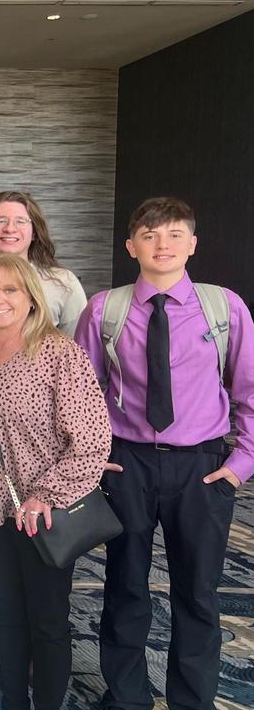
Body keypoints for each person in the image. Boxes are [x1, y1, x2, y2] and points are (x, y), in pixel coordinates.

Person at [74, 196, 254, 710]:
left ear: (192, 245)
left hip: (203, 467)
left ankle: (192, 700)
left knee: (197, 593)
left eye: (175, 234)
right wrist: (92, 459)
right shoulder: (104, 309)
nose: (163, 244)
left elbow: (249, 393)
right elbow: (82, 394)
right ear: (132, 246)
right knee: (124, 585)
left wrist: (239, 467)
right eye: (151, 235)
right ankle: (125, 695)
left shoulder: (224, 308)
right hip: (126, 463)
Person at [0, 254, 111, 710]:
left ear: (31, 299)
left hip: (41, 513)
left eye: (9, 290)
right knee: (4, 617)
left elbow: (92, 438)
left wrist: (46, 494)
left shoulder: (58, 352)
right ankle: (10, 702)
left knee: (46, 621)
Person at [0, 191, 87, 337]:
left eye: (20, 221)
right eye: (0, 221)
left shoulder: (64, 282)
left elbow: (78, 345)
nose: (10, 228)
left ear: (34, 233)